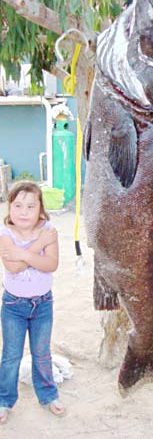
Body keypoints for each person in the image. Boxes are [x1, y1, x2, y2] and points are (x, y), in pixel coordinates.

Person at [0, 181, 65, 424]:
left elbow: (51, 265)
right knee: (11, 355)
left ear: (40, 209)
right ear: (10, 207)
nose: (23, 211)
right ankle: (4, 399)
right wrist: (37, 249)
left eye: (30, 206)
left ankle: (48, 395)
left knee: (41, 354)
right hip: (13, 306)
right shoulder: (5, 234)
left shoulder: (49, 229)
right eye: (17, 205)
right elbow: (13, 267)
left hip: (43, 305)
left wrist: (24, 253)